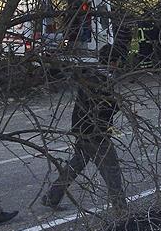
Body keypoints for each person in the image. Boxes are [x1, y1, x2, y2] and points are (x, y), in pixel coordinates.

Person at [41, 45, 127, 212]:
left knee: (76, 164)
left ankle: (52, 196)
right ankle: (121, 209)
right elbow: (101, 109)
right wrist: (117, 105)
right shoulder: (101, 80)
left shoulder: (91, 75)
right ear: (114, 62)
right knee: (111, 170)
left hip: (82, 129)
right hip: (94, 132)